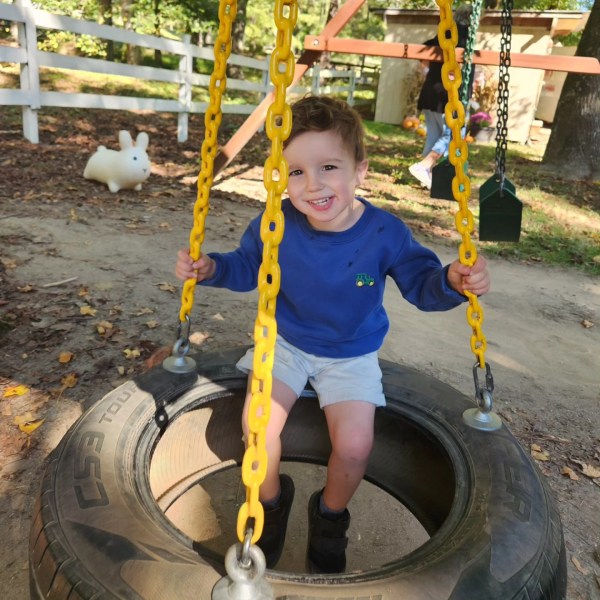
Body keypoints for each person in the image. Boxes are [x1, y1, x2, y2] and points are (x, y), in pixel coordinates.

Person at [175, 95, 490, 574]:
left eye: (328, 167)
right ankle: (271, 506)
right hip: (285, 344)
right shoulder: (276, 222)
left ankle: (330, 516)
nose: (313, 185)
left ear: (359, 170)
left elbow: (422, 287)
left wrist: (452, 281)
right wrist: (211, 267)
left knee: (356, 446)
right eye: (296, 172)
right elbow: (246, 267)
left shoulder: (385, 233)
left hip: (350, 355)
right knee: (257, 430)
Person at [409, 4, 474, 190]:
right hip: (448, 96)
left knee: (435, 135)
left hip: (431, 92)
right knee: (454, 135)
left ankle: (425, 174)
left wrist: (429, 69)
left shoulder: (445, 33)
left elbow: (423, 48)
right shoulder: (463, 36)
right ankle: (425, 166)